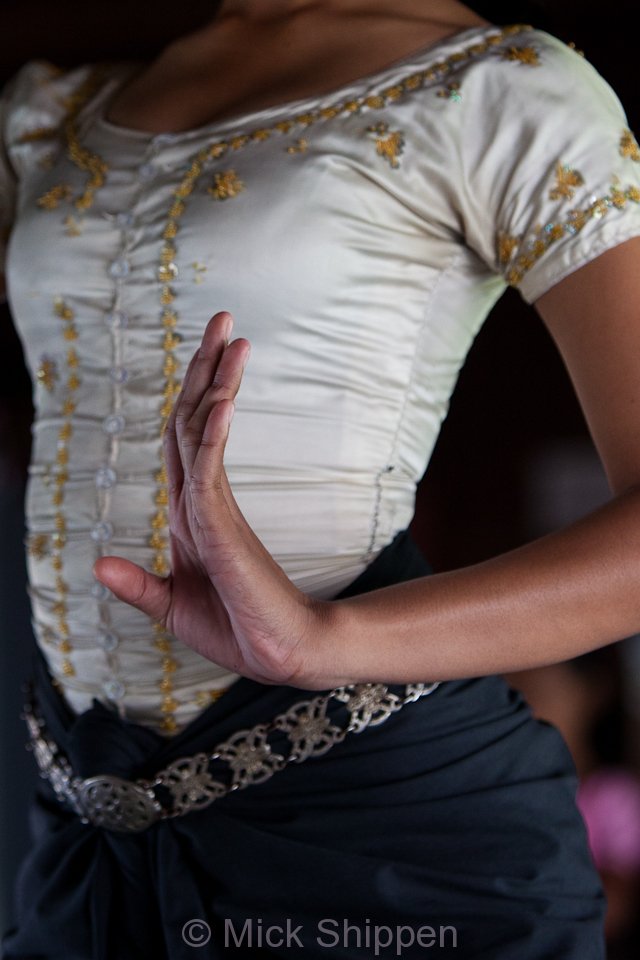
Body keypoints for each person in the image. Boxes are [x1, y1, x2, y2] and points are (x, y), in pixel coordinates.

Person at [1, 0, 640, 956]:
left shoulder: (501, 90)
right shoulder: (56, 108)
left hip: (385, 839)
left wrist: (320, 639)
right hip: (89, 843)